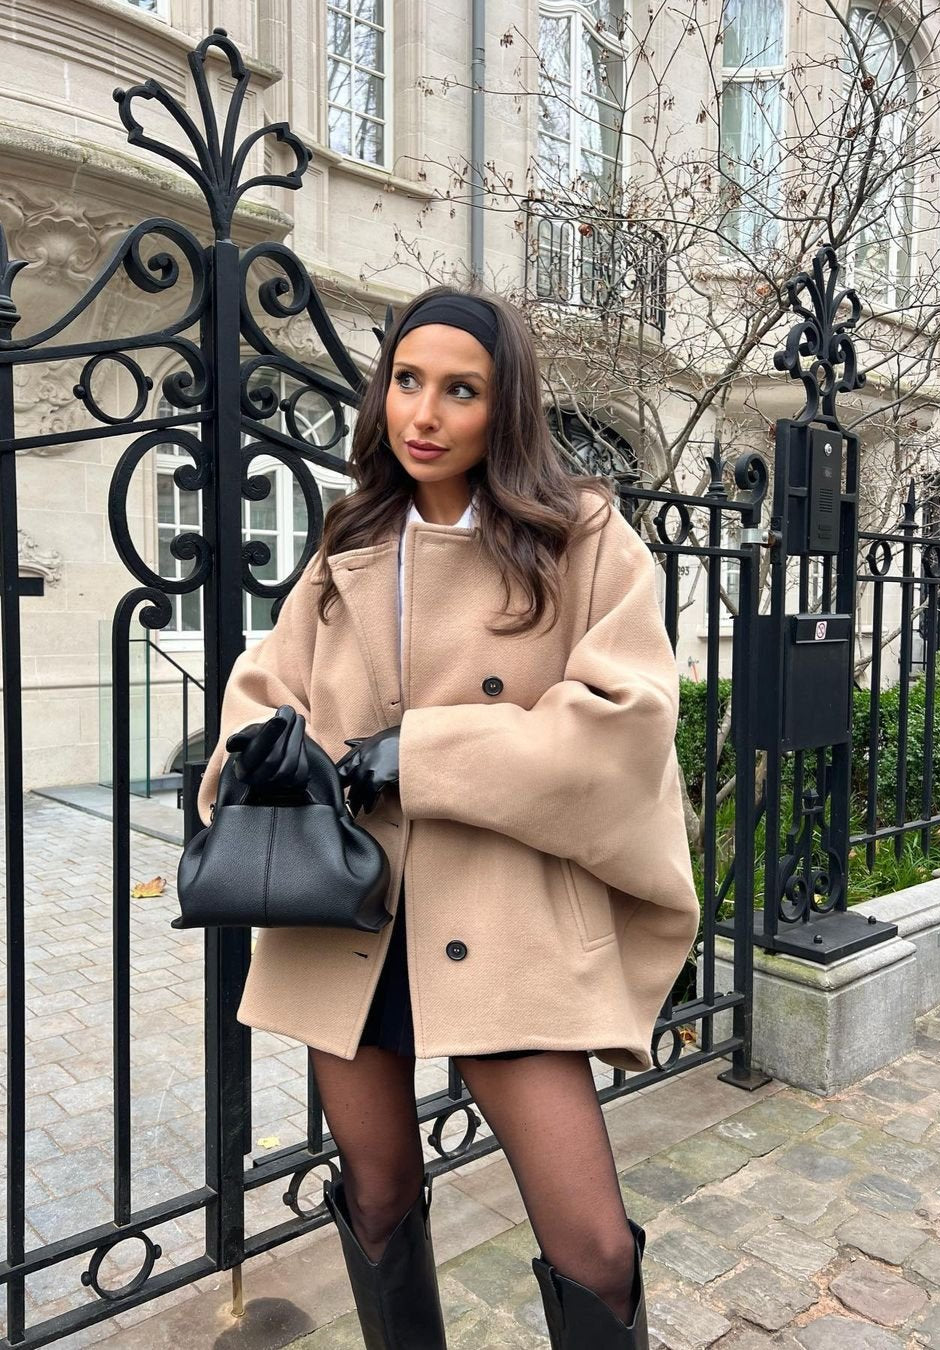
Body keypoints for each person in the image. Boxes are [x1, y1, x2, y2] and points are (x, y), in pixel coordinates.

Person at [195, 286, 701, 1349]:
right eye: (406, 382)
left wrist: (420, 754)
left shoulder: (579, 535)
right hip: (353, 914)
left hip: (506, 918)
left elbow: (626, 725)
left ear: (503, 404)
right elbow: (266, 685)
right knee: (376, 1196)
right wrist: (268, 751)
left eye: (459, 390)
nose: (423, 414)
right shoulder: (352, 537)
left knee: (595, 1247)